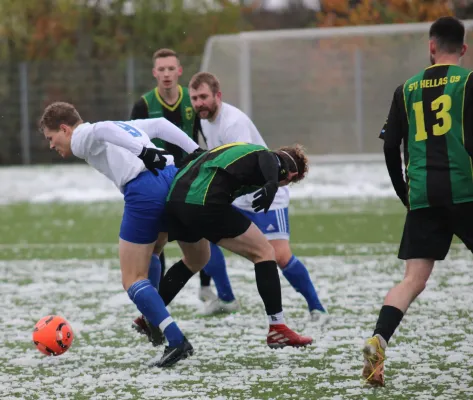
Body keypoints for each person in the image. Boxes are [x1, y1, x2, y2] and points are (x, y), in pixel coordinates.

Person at [39, 101, 200, 367]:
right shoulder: (123, 125)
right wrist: (195, 150)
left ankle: (176, 339)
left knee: (131, 279)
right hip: (169, 177)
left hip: (145, 188)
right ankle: (153, 320)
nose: (51, 145)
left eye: (51, 138)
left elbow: (101, 131)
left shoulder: (81, 136)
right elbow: (160, 125)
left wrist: (144, 152)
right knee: (154, 252)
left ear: (65, 128)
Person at [364, 16, 473, 386]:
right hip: (465, 191)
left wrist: (403, 191)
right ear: (463, 48)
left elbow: (390, 145)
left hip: (423, 195)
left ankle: (379, 339)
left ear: (431, 47)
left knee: (412, 279)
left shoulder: (406, 88)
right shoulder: (469, 82)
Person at [188, 71, 327, 319]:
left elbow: (246, 164)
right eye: (194, 98)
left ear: (217, 95)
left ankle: (317, 308)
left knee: (280, 256)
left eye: (203, 97)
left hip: (265, 195)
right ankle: (226, 298)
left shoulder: (234, 123)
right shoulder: (205, 120)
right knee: (201, 231)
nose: (199, 103)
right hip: (238, 196)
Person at [158, 142, 314, 348]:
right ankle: (278, 328)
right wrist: (272, 183)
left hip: (175, 201)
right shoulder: (269, 159)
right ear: (291, 175)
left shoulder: (237, 150)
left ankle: (151, 315)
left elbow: (195, 155)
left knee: (195, 260)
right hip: (203, 202)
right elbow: (267, 157)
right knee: (265, 252)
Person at [130, 48, 218, 330]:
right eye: (161, 69)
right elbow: (131, 142)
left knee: (202, 239)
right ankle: (154, 307)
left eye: (171, 69)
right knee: (157, 244)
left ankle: (207, 288)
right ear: (154, 73)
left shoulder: (193, 102)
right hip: (158, 184)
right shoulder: (143, 105)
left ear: (179, 71)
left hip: (190, 182)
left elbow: (205, 137)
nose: (166, 74)